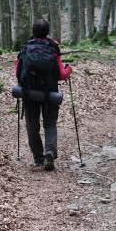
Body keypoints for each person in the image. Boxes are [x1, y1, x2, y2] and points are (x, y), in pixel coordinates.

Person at [15, 19, 72, 171]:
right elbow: (60, 74)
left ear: (33, 31)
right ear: (47, 32)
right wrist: (69, 70)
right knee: (50, 124)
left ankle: (38, 158)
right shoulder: (52, 48)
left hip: (29, 93)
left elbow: (18, 73)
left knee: (32, 126)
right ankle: (50, 152)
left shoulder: (26, 48)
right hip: (50, 93)